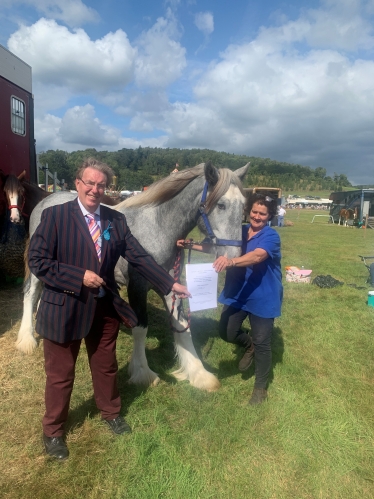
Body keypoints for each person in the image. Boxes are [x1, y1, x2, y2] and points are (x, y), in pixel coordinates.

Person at [29, 158, 191, 461]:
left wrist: (169, 284)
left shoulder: (115, 221)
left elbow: (139, 257)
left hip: (104, 307)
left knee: (105, 365)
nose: (95, 189)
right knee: (60, 374)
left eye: (101, 185)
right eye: (89, 183)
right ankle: (53, 432)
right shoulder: (54, 217)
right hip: (65, 307)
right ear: (77, 184)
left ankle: (111, 413)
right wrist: (78, 276)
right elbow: (37, 261)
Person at [177, 194, 282, 405]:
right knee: (226, 331)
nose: (257, 216)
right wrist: (192, 245)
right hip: (237, 292)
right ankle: (248, 345)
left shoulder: (271, 236)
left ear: (269, 216)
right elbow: (217, 247)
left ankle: (260, 388)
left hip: (263, 296)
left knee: (263, 342)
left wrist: (231, 261)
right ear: (248, 211)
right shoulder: (240, 231)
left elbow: (258, 256)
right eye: (254, 211)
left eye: (262, 213)